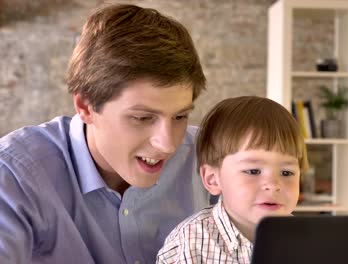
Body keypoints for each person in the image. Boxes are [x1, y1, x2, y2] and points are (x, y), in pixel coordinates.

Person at [0, 4, 210, 263]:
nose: (167, 144)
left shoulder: (213, 157)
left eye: (179, 116)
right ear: (86, 107)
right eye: (142, 118)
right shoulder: (13, 175)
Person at [156, 96, 308, 263]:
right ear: (213, 179)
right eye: (253, 171)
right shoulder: (190, 243)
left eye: (286, 173)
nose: (273, 185)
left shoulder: (309, 241)